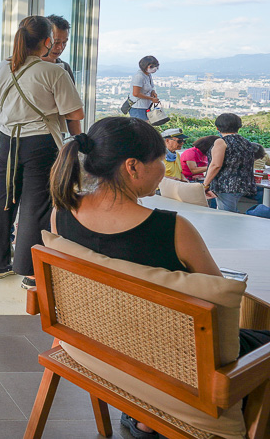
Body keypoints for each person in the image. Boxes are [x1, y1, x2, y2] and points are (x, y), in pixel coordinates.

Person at [49, 116, 270, 439]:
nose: (165, 168)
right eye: (161, 160)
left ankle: (145, 419)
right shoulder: (173, 230)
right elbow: (222, 303)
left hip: (103, 349)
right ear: (133, 167)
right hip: (178, 366)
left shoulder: (63, 214)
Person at [0, 16, 84, 290]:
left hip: (8, 141)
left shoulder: (3, 67)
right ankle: (30, 272)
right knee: (35, 205)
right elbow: (75, 113)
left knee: (3, 198)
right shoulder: (54, 72)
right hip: (40, 142)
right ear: (46, 41)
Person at [202, 113, 266, 213]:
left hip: (226, 186)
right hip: (244, 185)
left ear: (218, 128)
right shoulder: (246, 143)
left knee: (227, 216)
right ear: (238, 127)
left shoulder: (221, 142)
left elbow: (216, 165)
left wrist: (205, 185)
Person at [43, 14, 75, 83]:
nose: (60, 47)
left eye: (64, 42)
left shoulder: (65, 68)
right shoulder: (30, 66)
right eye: (56, 42)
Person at [129, 56, 160, 121]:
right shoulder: (139, 76)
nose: (154, 68)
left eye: (155, 66)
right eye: (151, 66)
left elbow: (151, 86)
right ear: (145, 66)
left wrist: (153, 92)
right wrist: (151, 99)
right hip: (138, 108)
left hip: (145, 107)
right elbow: (136, 93)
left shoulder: (148, 74)